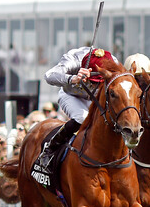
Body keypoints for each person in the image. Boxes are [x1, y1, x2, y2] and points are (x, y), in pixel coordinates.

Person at [38, 47, 119, 175]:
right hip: (71, 95)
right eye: (93, 82)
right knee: (82, 118)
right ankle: (50, 149)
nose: (96, 85)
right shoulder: (73, 59)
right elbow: (48, 76)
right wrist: (73, 78)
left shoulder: (114, 63)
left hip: (95, 98)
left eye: (99, 82)